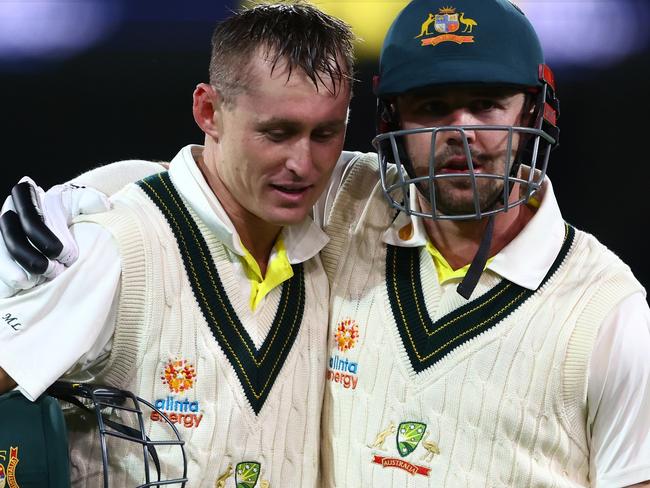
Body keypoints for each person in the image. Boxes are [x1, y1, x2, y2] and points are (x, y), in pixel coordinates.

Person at [2, 0, 649, 487]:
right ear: (390, 123)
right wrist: (84, 212)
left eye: (487, 104)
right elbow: (217, 179)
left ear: (532, 112)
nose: (463, 133)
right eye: (433, 108)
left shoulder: (610, 314)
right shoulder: (348, 203)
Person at [0, 3, 355, 487]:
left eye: (326, 134)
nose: (303, 163)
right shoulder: (116, 245)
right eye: (278, 132)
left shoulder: (326, 248)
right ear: (208, 111)